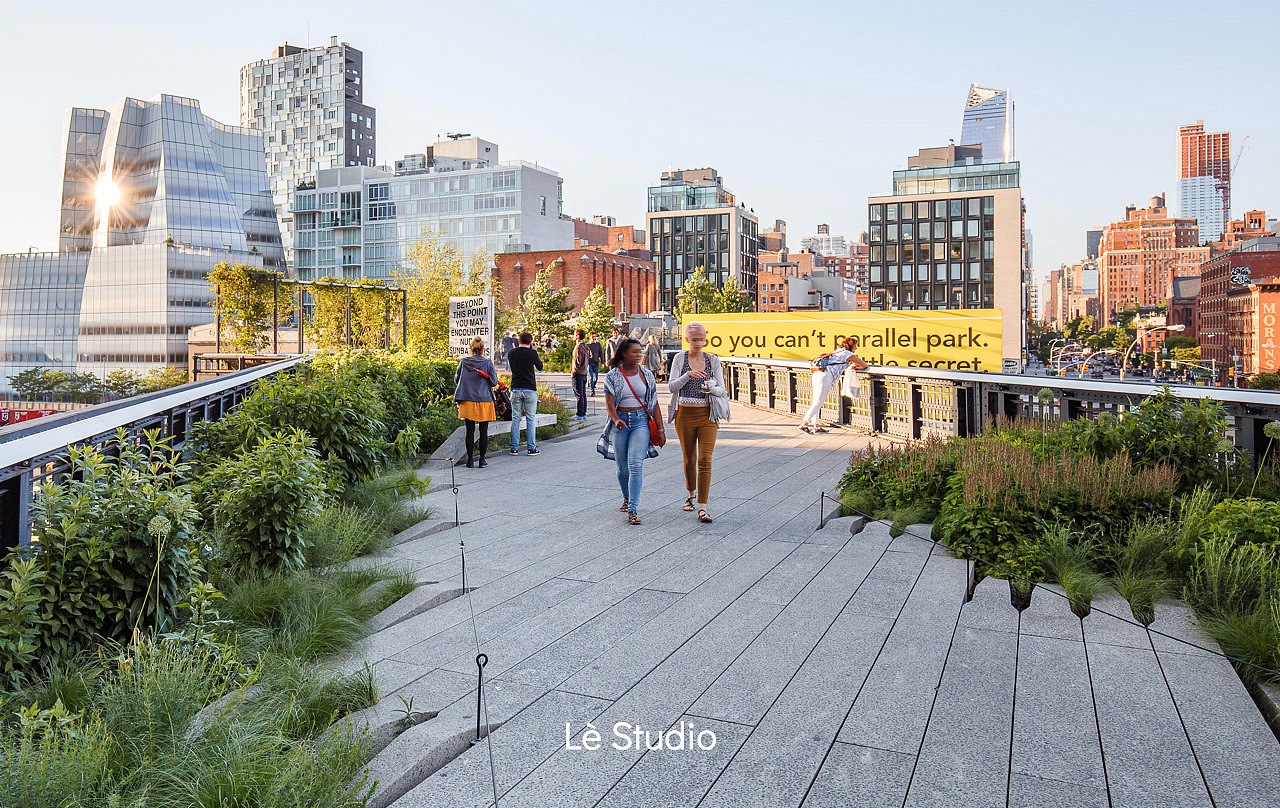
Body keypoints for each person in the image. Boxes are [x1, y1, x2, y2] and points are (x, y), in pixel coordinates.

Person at [601, 338, 663, 525]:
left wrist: (661, 429)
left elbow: (654, 403)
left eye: (640, 351)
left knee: (636, 464)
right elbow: (609, 403)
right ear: (624, 353)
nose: (639, 355)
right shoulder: (612, 376)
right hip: (620, 424)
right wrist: (616, 419)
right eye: (635, 351)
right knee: (622, 468)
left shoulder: (647, 375)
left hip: (640, 423)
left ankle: (633, 509)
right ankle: (627, 497)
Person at [667, 323, 725, 523]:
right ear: (687, 340)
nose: (698, 343)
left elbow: (722, 389)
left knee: (705, 460)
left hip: (708, 415)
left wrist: (712, 389)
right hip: (684, 414)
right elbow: (671, 386)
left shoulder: (712, 359)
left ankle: (703, 506)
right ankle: (690, 495)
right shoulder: (680, 358)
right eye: (694, 339)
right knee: (689, 459)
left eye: (701, 339)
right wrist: (687, 375)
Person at [799, 336, 868, 434]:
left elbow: (839, 363)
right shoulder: (849, 354)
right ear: (851, 346)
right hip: (825, 377)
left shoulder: (838, 351)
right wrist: (855, 367)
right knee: (818, 402)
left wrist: (850, 365)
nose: (856, 348)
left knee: (816, 401)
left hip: (818, 374)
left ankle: (816, 426)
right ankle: (804, 425)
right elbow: (864, 365)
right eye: (855, 346)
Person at [454, 337, 499, 467]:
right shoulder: (488, 363)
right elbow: (494, 382)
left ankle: (470, 461)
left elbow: (457, 380)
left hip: (467, 399)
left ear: (471, 349)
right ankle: (482, 460)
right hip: (484, 400)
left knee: (470, 430)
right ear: (482, 349)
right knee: (483, 431)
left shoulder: (463, 362)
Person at [506, 331, 543, 456]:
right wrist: (535, 351)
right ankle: (531, 448)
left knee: (515, 418)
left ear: (519, 341)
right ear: (530, 342)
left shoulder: (511, 353)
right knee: (530, 419)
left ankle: (514, 448)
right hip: (530, 388)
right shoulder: (532, 353)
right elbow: (540, 366)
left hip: (516, 387)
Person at [570, 329, 590, 421]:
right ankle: (583, 412)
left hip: (578, 373)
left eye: (574, 334)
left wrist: (574, 371)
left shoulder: (578, 348)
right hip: (584, 373)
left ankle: (579, 414)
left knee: (578, 394)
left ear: (577, 336)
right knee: (583, 393)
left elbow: (578, 361)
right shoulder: (586, 346)